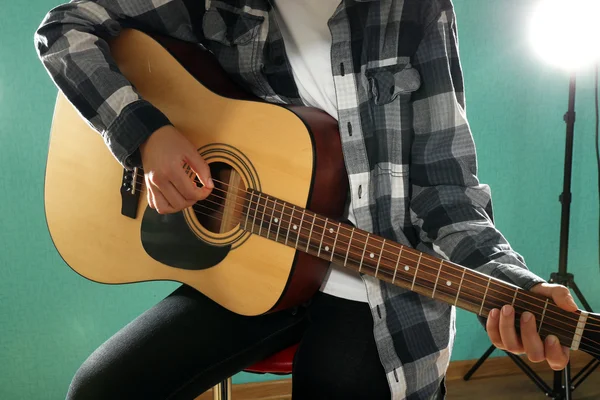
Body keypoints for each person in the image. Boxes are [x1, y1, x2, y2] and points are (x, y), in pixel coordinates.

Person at [34, 0, 578, 398]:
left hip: (374, 286)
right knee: (100, 390)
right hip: (252, 257)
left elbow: (446, 189)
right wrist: (144, 135)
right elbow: (65, 27)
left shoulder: (416, 10)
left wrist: (513, 285)